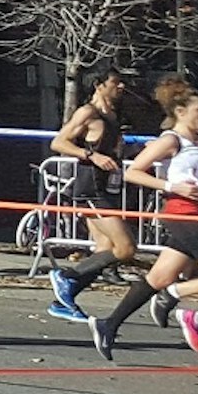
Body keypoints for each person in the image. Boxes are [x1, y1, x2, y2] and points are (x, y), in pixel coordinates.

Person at [89, 85, 198, 362]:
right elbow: (134, 172)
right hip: (184, 215)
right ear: (180, 112)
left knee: (159, 278)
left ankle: (108, 325)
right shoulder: (172, 140)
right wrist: (173, 186)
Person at [44, 70, 144, 321]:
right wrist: (92, 156)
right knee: (125, 248)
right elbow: (58, 142)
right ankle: (67, 277)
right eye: (115, 82)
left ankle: (63, 301)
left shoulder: (114, 115)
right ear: (99, 85)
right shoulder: (88, 113)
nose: (121, 86)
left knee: (105, 248)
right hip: (91, 189)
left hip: (106, 187)